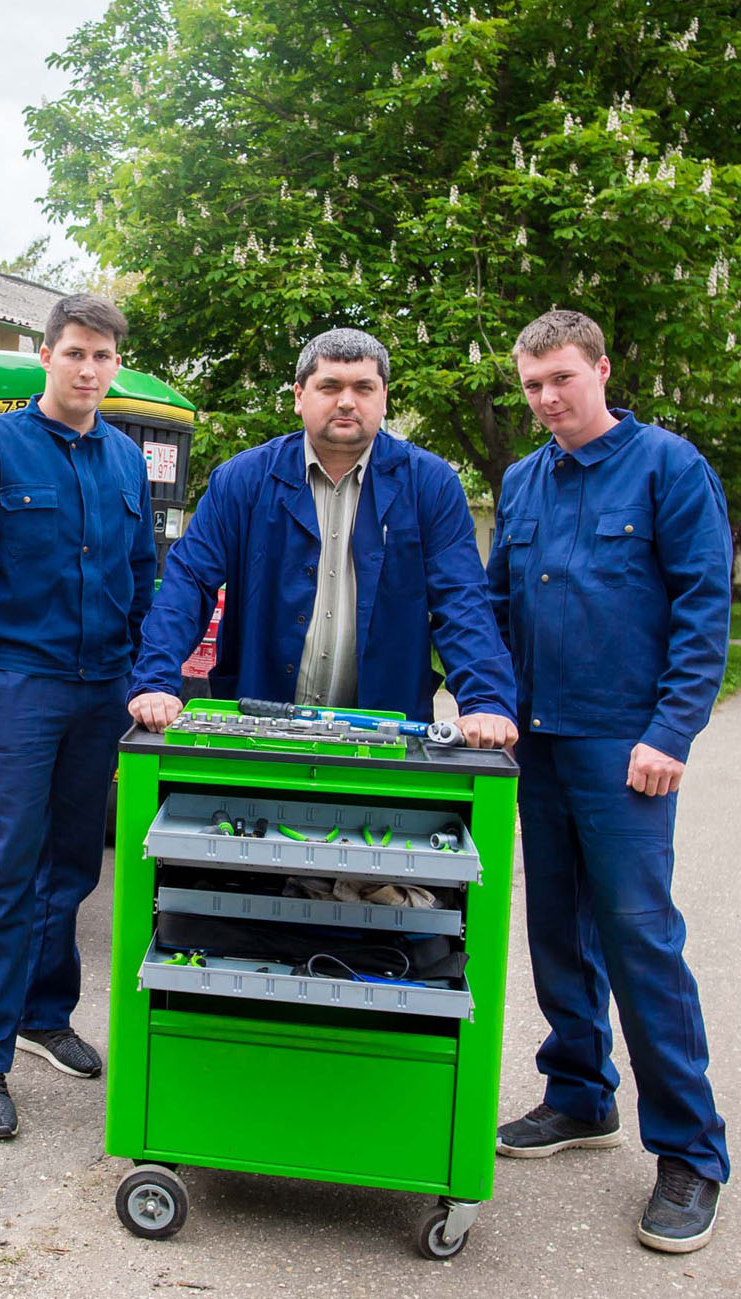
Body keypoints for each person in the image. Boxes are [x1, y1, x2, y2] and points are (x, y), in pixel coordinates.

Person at [488, 309, 731, 1254]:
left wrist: (671, 730)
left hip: (625, 749)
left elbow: (704, 605)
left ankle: (691, 1153)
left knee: (639, 942)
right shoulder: (523, 478)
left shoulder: (670, 469)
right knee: (556, 928)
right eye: (533, 384)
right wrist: (485, 703)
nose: (548, 398)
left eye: (562, 378)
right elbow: (502, 604)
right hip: (536, 746)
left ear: (601, 368)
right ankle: (581, 1093)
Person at [0, 294, 155, 1140]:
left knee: (70, 867)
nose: (88, 369)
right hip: (19, 684)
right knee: (1, 871)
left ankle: (42, 1013)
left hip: (101, 691)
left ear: (115, 365)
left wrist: (142, 678)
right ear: (46, 357)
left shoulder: (127, 462)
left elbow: (142, 574)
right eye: (73, 354)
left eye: (101, 356)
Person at [128, 327, 516, 744]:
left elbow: (461, 600)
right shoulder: (244, 480)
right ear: (299, 396)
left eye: (364, 388)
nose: (347, 401)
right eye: (329, 386)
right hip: (257, 727)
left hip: (389, 736)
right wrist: (155, 680)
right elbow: (188, 583)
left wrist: (486, 703)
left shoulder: (429, 484)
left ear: (383, 398)